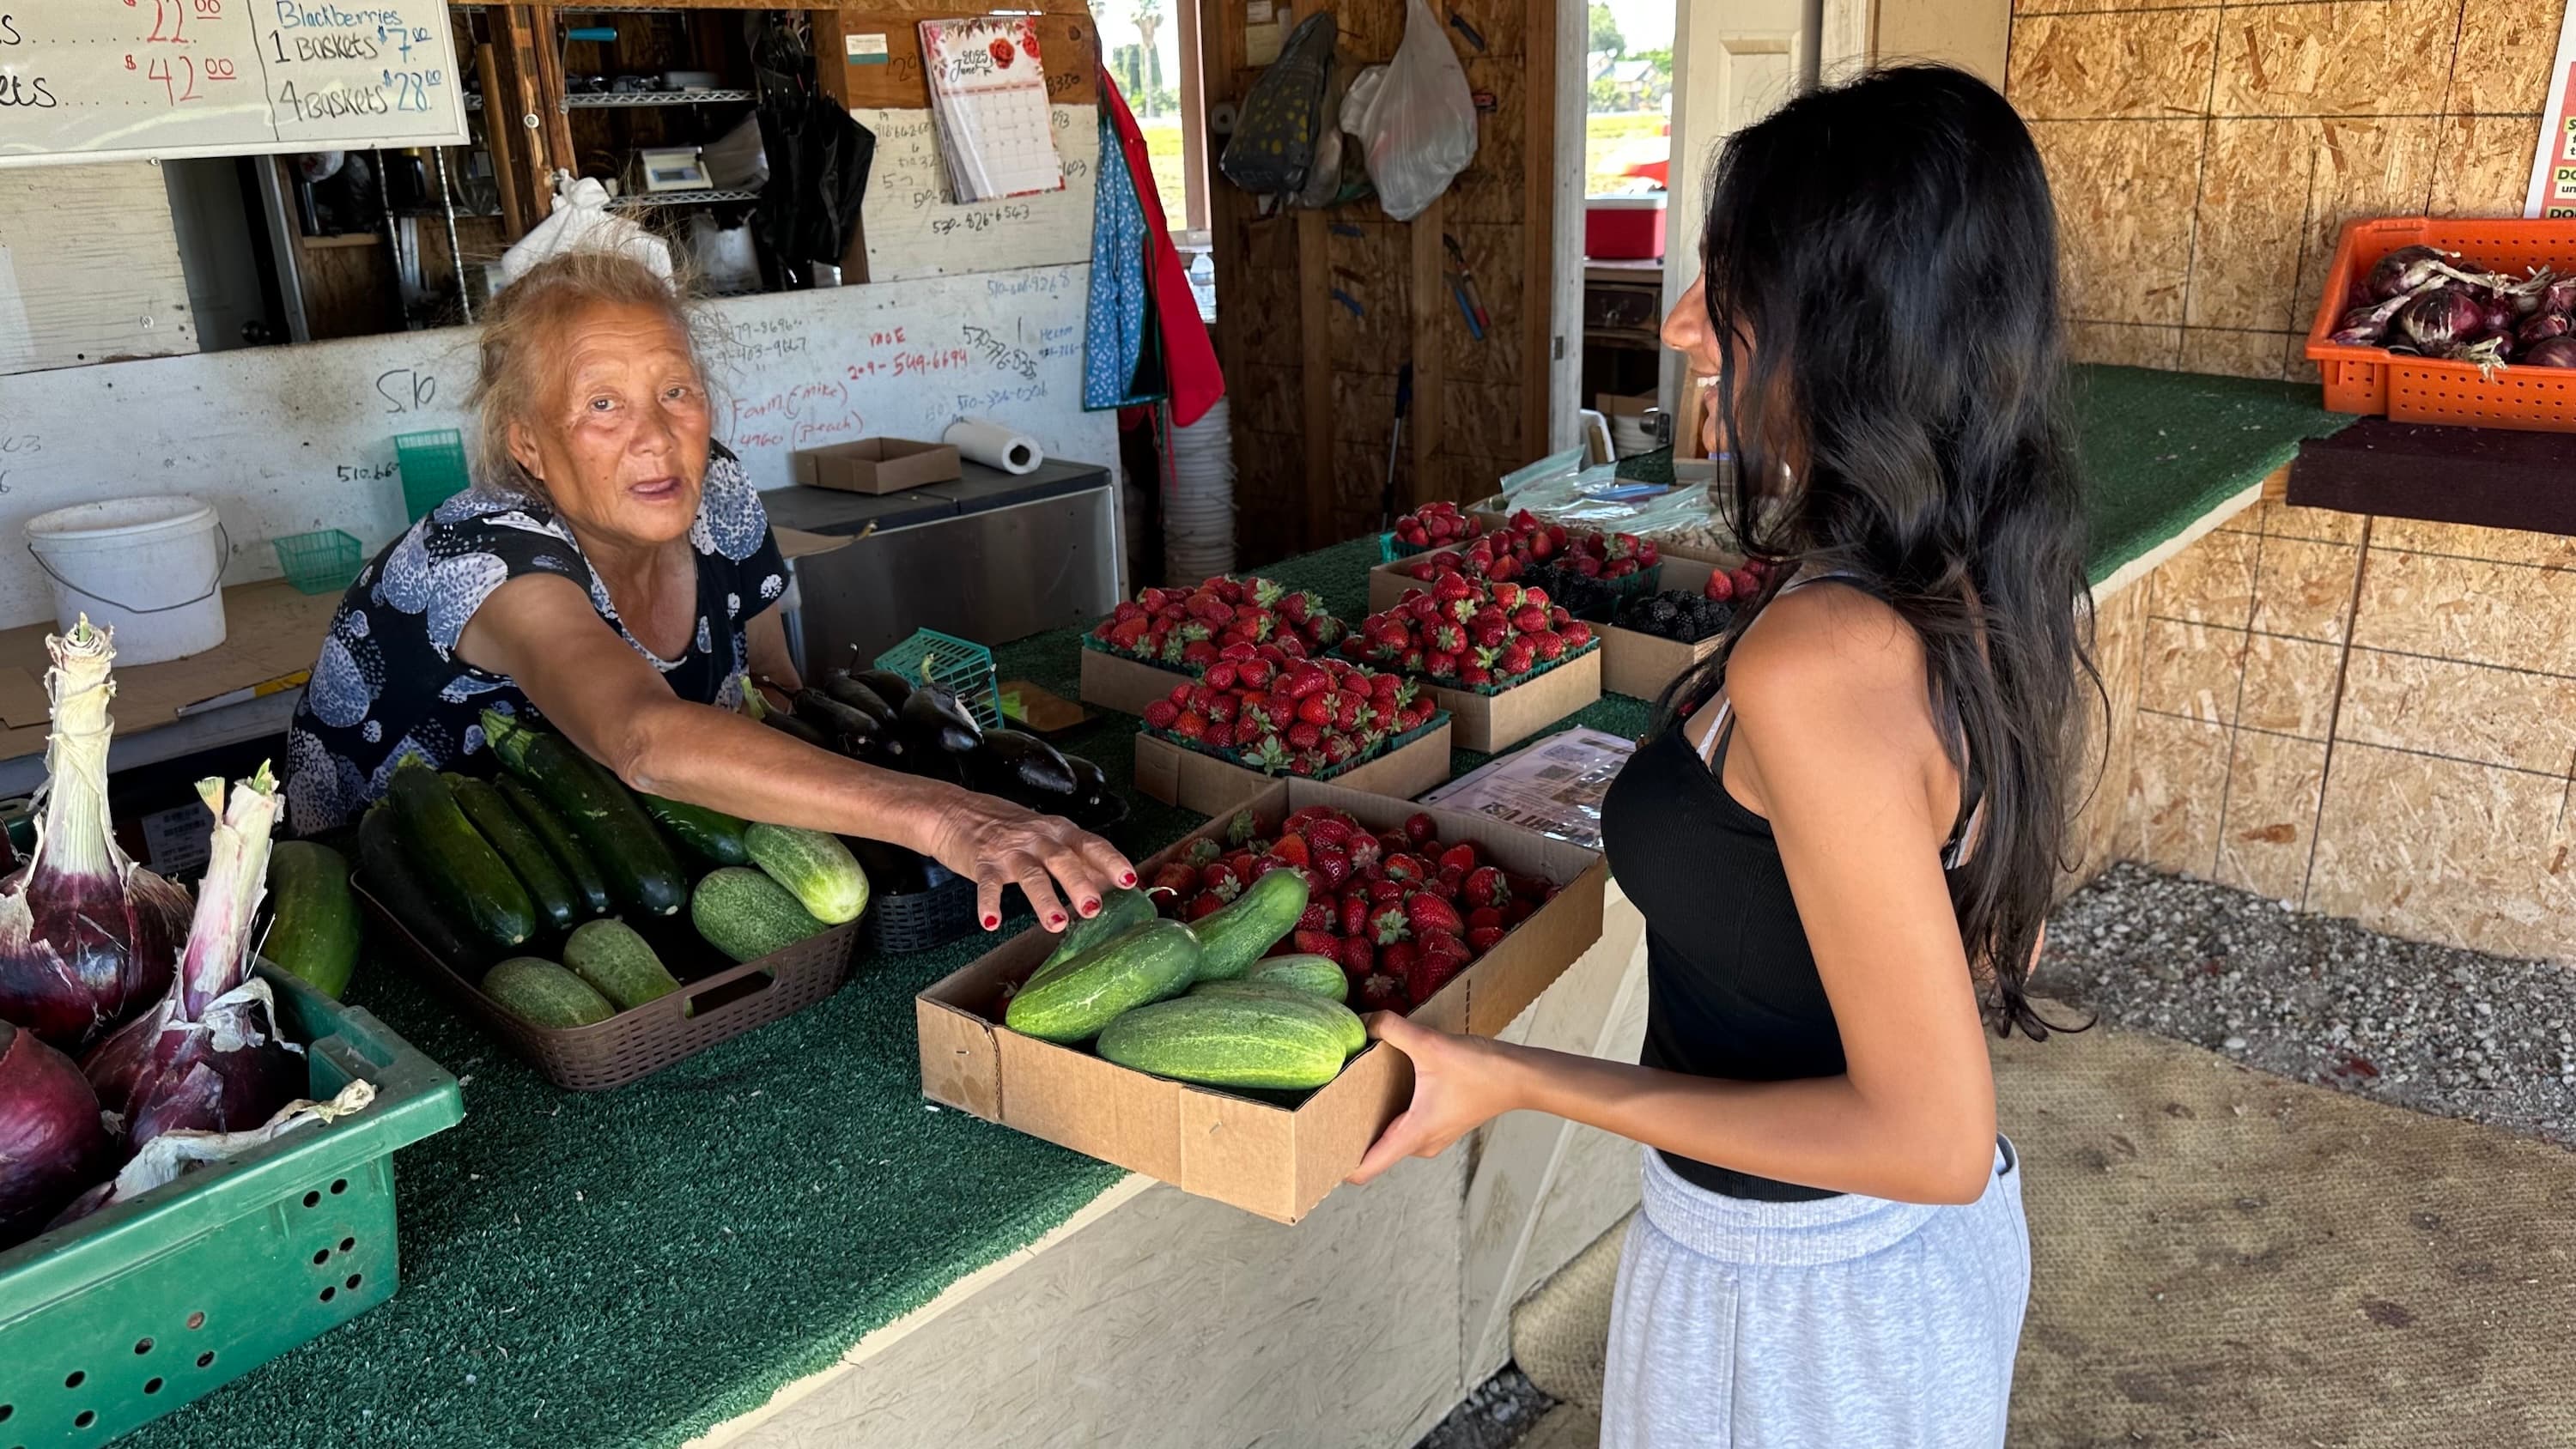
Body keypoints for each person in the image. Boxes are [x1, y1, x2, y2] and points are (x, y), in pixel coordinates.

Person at [1347, 66, 2091, 1446]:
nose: (1686, 321)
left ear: (1858, 326)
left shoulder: (1818, 658)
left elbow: (1925, 1133)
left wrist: (1517, 1076)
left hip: (1803, 1310)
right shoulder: (1985, 574)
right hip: (1881, 1281)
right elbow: (2000, 942)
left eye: (1731, 281)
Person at [283, 247, 1132, 932]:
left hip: (629, 881)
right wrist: (949, 819)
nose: (657, 436)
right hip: (410, 914)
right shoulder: (481, 556)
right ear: (528, 443)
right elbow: (644, 740)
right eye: (604, 405)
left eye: (676, 391)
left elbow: (770, 689)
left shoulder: (717, 491)